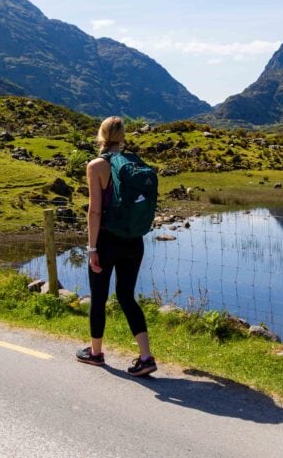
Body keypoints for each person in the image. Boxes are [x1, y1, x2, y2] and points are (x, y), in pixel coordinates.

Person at [76, 116, 157, 377]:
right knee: (126, 296)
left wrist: (91, 248)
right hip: (134, 240)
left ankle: (96, 353)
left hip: (107, 240)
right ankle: (146, 357)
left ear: (100, 135)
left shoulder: (96, 166)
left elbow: (95, 211)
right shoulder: (135, 163)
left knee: (98, 296)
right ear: (122, 137)